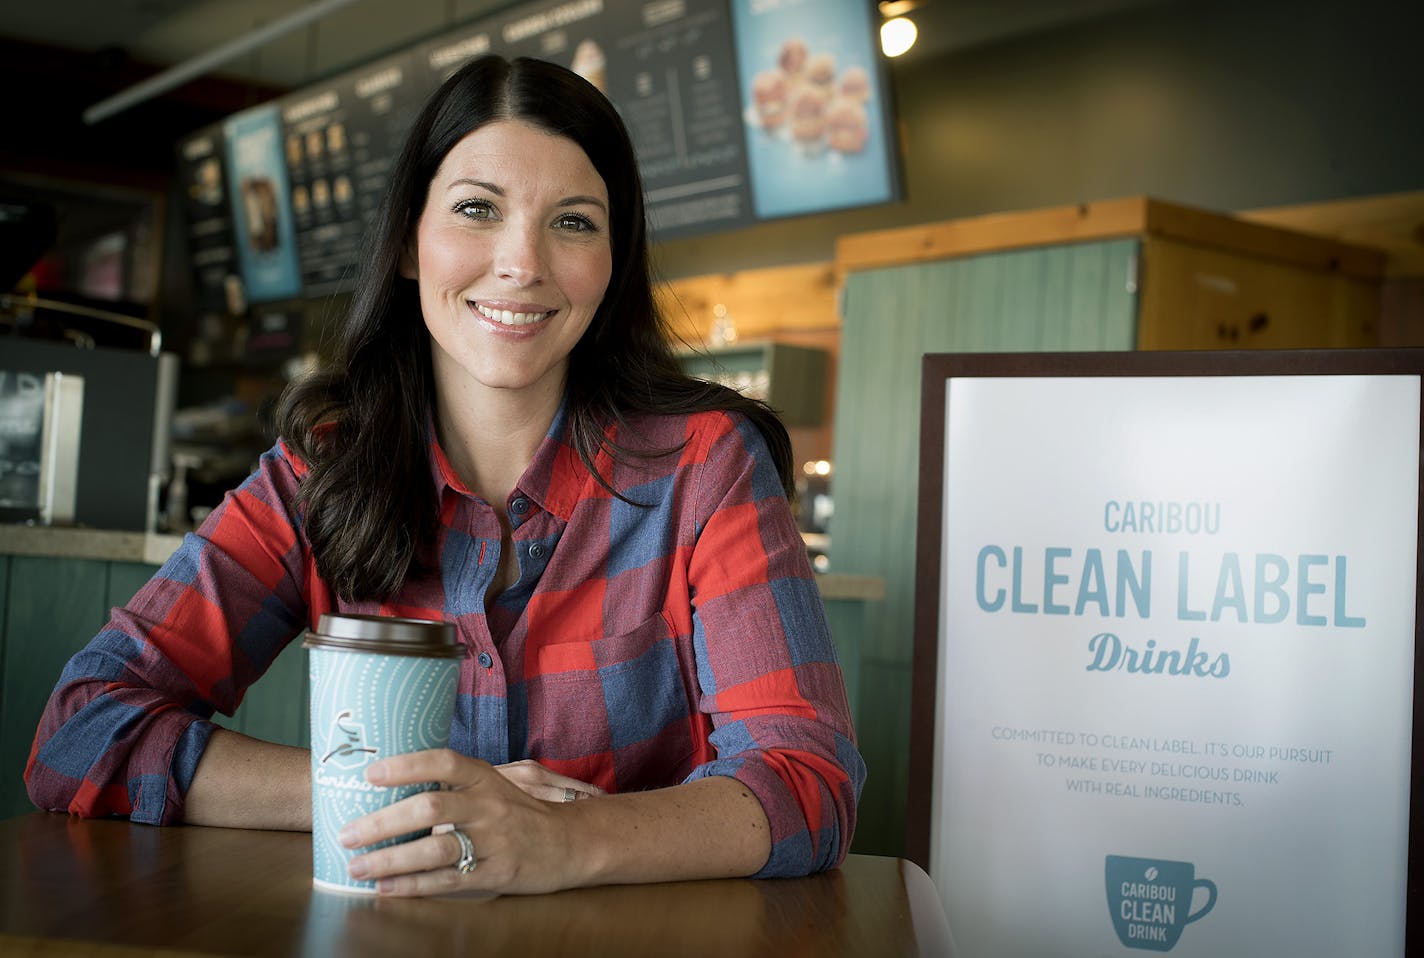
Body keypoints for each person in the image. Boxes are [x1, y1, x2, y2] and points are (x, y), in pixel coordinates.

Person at [25, 55, 864, 896]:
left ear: (613, 262)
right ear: (407, 245)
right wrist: (417, 800)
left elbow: (806, 778)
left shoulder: (706, 467)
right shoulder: (323, 472)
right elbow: (81, 729)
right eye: (476, 209)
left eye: (573, 223)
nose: (521, 263)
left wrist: (561, 839)